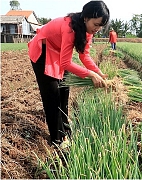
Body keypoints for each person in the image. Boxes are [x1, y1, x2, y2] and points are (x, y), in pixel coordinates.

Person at [28, 0, 110, 148]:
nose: (98, 29)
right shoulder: (69, 28)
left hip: (58, 53)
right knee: (52, 96)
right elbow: (66, 63)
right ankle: (57, 140)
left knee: (64, 91)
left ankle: (65, 128)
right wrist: (90, 74)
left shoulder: (87, 31)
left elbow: (84, 56)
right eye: (96, 24)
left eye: (101, 26)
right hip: (43, 52)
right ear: (86, 18)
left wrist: (99, 73)